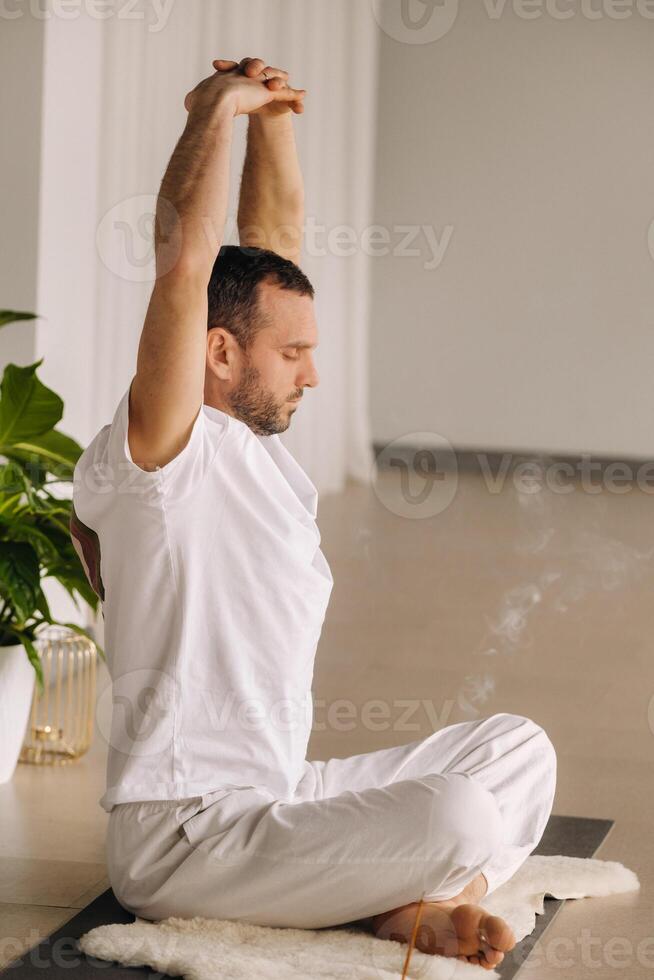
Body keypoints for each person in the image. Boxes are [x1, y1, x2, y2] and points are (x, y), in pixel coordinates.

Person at [70, 56, 557, 970]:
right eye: (292, 353)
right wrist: (217, 108)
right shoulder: (162, 457)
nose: (313, 373)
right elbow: (184, 265)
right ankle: (406, 893)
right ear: (218, 352)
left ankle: (412, 903)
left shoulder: (255, 450)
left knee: (518, 750)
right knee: (458, 814)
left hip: (275, 796)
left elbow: (276, 240)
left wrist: (278, 121)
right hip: (188, 840)